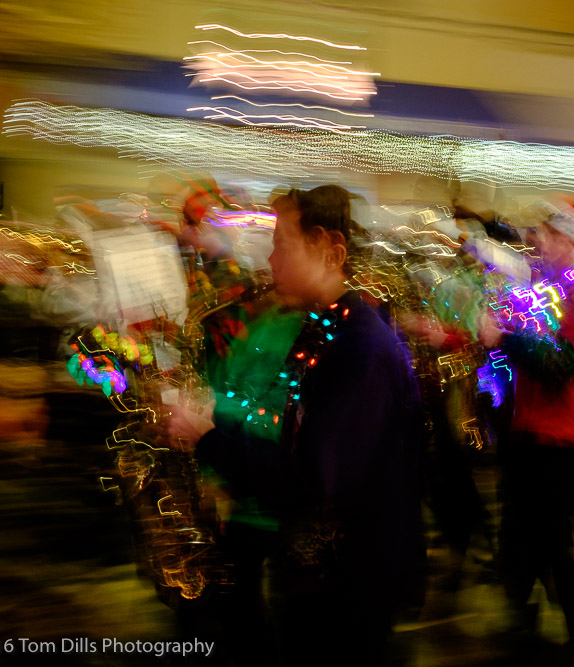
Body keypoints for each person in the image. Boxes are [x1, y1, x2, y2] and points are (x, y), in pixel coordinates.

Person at [172, 184, 425, 666]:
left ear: (329, 250)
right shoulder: (325, 329)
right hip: (323, 578)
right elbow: (291, 433)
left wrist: (209, 440)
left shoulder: (358, 348)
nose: (270, 259)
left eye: (282, 244)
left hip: (349, 588)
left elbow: (310, 481)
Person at [479, 202, 574, 660]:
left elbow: (570, 364)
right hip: (533, 426)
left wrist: (503, 340)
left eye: (547, 233)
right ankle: (534, 616)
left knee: (546, 533)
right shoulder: (546, 286)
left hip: (565, 432)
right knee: (530, 530)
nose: (538, 241)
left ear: (572, 240)